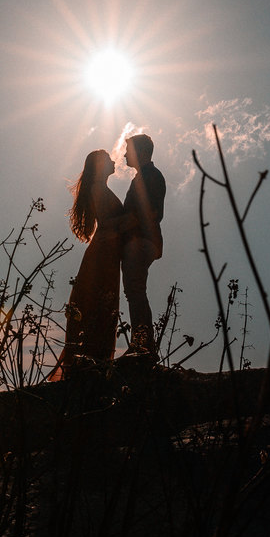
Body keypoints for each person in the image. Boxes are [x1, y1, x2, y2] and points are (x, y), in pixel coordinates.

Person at [48, 149, 126, 380]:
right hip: (102, 256)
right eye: (109, 159)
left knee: (103, 308)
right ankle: (90, 367)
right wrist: (134, 218)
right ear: (101, 165)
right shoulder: (98, 188)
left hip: (108, 256)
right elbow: (108, 222)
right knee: (98, 306)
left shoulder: (100, 187)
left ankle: (95, 366)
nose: (114, 161)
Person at [121, 133, 166, 358]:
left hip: (140, 242)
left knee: (135, 291)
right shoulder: (144, 176)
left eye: (128, 150)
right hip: (140, 241)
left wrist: (119, 226)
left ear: (141, 152)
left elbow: (151, 213)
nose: (124, 154)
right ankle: (142, 344)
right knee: (134, 291)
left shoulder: (151, 176)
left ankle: (143, 346)